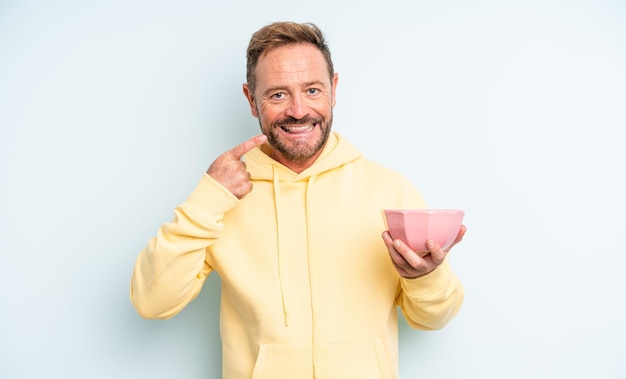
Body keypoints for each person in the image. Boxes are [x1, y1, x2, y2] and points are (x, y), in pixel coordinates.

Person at [130, 21, 466, 379]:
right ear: (251, 100)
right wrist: (207, 200)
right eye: (278, 94)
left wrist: (426, 277)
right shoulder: (222, 197)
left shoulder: (388, 189)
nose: (298, 110)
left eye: (312, 90)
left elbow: (432, 319)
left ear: (334, 90)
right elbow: (152, 302)